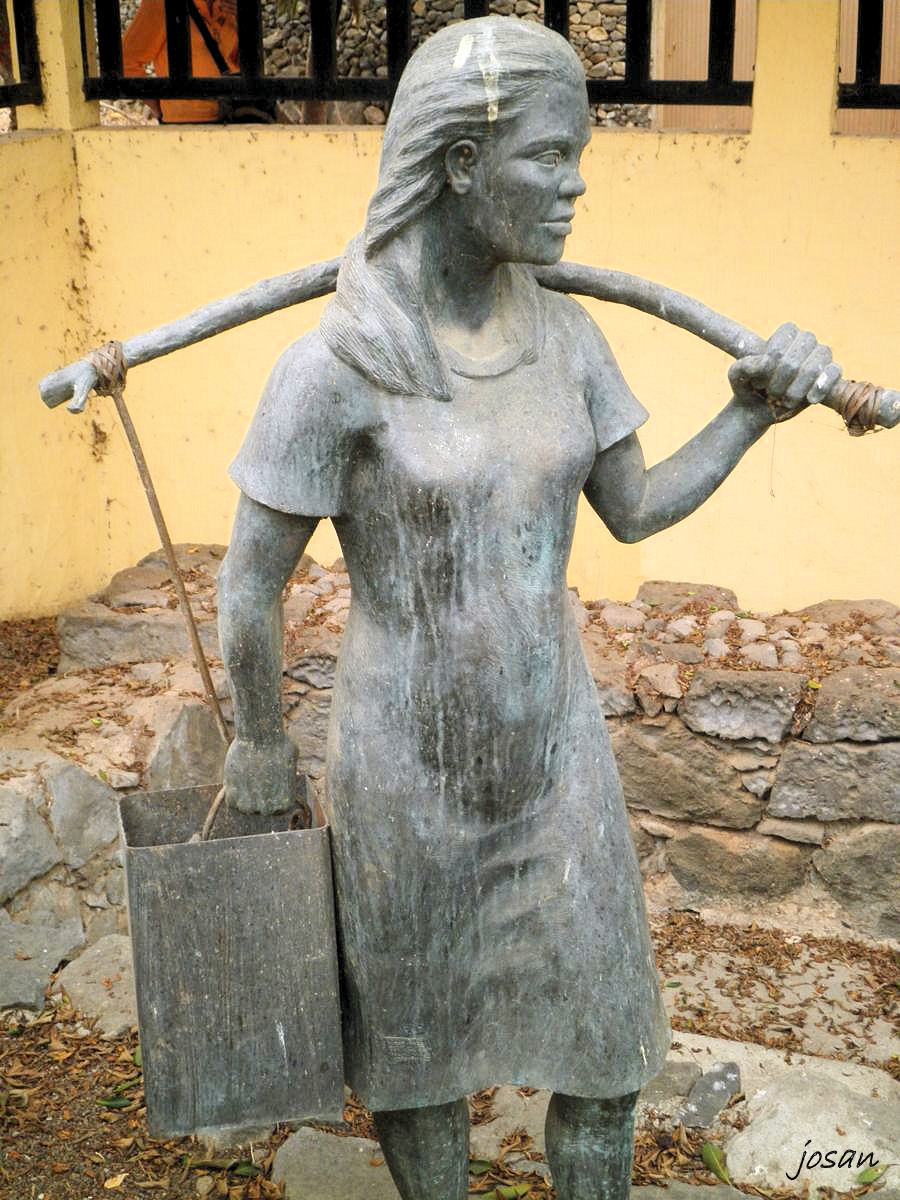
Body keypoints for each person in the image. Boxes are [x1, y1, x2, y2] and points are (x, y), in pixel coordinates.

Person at [217, 18, 838, 1200]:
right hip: (403, 768)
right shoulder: (338, 363)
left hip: (559, 765)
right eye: (548, 157)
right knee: (422, 1069)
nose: (577, 181)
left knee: (607, 1063)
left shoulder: (567, 334)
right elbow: (249, 585)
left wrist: (754, 412)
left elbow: (638, 506)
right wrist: (258, 742)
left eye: (578, 153)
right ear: (459, 164)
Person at [122, 0, 239, 124]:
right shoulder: (160, 3)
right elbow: (125, 61)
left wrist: (242, 21)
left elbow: (240, 64)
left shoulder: (231, 5)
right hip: (187, 124)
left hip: (235, 117)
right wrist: (159, 107)